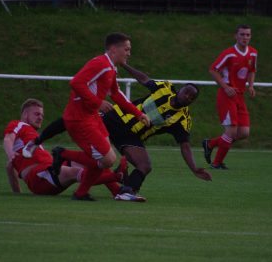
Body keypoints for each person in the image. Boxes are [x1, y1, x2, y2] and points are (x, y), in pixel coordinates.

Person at [24, 63, 212, 195]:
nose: (187, 96)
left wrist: (194, 168)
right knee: (74, 118)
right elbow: (144, 79)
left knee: (144, 165)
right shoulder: (165, 88)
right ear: (180, 89)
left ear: (192, 102)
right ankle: (40, 140)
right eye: (186, 91)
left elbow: (185, 146)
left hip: (131, 137)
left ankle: (126, 191)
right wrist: (124, 65)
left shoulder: (183, 120)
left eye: (191, 97)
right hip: (117, 117)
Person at [50, 32, 150, 200]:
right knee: (107, 159)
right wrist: (98, 102)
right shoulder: (101, 64)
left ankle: (81, 191)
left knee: (105, 159)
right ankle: (65, 156)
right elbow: (76, 83)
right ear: (113, 49)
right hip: (79, 118)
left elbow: (116, 94)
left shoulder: (110, 67)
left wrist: (138, 113)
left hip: (91, 117)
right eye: (126, 49)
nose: (129, 53)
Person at [3, 98, 145, 202]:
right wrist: (10, 154)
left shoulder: (30, 136)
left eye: (42, 115)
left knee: (92, 161)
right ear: (25, 114)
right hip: (39, 176)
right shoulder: (18, 124)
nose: (41, 117)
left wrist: (17, 193)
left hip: (49, 168)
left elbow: (10, 167)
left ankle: (118, 191)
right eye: (37, 114)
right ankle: (117, 177)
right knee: (76, 172)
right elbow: (8, 139)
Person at [202, 24, 257, 169]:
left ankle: (211, 143)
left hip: (240, 96)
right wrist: (225, 87)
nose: (245, 37)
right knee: (231, 131)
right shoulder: (229, 53)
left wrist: (250, 86)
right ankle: (217, 163)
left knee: (244, 132)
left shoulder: (253, 53)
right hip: (227, 96)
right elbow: (213, 70)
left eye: (247, 35)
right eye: (242, 34)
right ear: (236, 36)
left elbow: (252, 70)